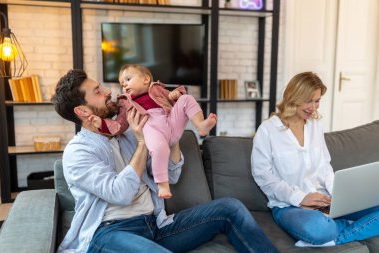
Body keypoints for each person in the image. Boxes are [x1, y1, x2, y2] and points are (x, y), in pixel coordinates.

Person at [52, 69, 279, 253]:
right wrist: (142, 143)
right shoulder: (78, 152)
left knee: (230, 207)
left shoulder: (128, 133)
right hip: (111, 233)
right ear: (82, 110)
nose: (109, 91)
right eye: (97, 91)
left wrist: (170, 128)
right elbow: (119, 193)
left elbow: (169, 175)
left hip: (156, 225)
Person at [251, 71, 379, 247]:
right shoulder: (268, 130)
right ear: (293, 97)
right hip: (290, 206)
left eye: (317, 100)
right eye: (308, 100)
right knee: (319, 230)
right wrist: (300, 198)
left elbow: (325, 166)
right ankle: (347, 227)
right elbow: (264, 176)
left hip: (326, 200)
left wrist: (338, 196)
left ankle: (335, 238)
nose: (313, 107)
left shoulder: (315, 125)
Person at [89, 64, 216, 199]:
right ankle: (162, 184)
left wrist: (175, 95)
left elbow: (173, 97)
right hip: (153, 130)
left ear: (146, 79)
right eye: (121, 84)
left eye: (128, 79)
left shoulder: (157, 89)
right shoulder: (126, 102)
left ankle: (201, 125)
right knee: (159, 149)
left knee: (187, 99)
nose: (124, 85)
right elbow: (119, 124)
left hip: (171, 125)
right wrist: (101, 124)